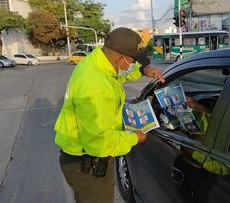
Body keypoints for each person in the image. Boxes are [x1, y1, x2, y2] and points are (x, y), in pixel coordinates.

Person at [54, 27, 165, 203]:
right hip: (87, 164)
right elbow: (99, 144)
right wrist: (135, 139)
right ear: (120, 58)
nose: (132, 65)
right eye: (132, 61)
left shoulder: (96, 64)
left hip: (81, 156)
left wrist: (142, 71)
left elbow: (116, 77)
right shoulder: (96, 86)